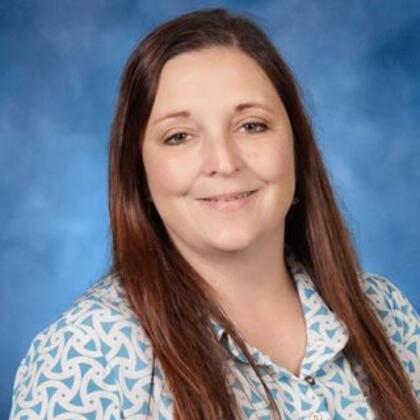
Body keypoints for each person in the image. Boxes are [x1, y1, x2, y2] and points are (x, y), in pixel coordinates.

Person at [10, 7, 419, 420]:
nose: (224, 162)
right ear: (139, 172)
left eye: (251, 126)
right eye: (179, 136)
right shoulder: (89, 353)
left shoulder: (385, 312)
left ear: (297, 145)